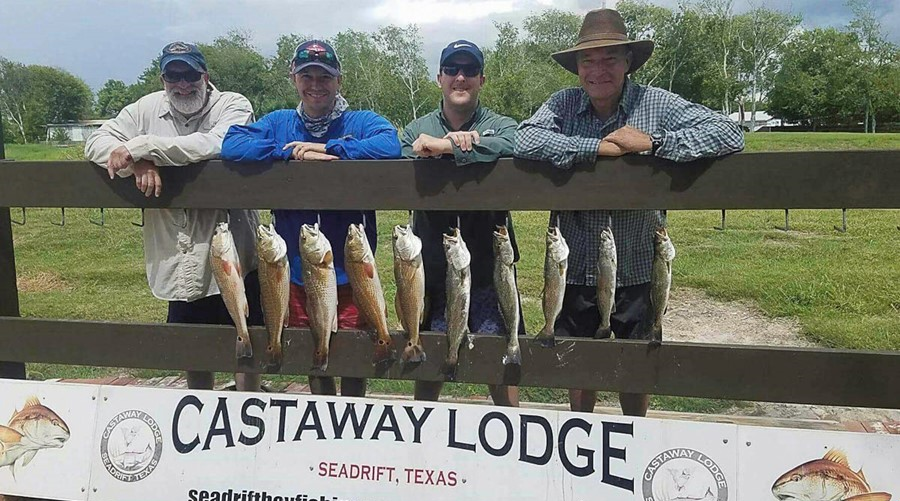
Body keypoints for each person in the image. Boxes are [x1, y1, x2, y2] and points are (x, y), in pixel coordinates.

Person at [515, 9, 744, 416]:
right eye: (588, 60)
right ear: (577, 67)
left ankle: (635, 442)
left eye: (609, 59)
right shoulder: (563, 105)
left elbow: (727, 131)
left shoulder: (656, 103)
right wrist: (594, 148)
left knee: (635, 370)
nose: (598, 70)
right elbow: (525, 139)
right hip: (574, 266)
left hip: (638, 265)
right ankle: (581, 444)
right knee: (578, 369)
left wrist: (653, 143)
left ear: (627, 63)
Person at [221, 39, 401, 397]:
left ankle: (352, 414)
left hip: (349, 270)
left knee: (353, 350)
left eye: (324, 76)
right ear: (294, 79)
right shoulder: (279, 123)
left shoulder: (361, 121)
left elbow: (389, 145)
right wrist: (285, 154)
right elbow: (233, 144)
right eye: (307, 76)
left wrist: (330, 148)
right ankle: (322, 412)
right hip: (296, 271)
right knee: (311, 350)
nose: (316, 84)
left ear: (339, 80)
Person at [85, 42, 263, 392]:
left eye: (191, 74)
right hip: (177, 253)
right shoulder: (144, 108)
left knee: (246, 345)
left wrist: (141, 147)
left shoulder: (233, 103)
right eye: (173, 75)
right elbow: (96, 142)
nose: (183, 84)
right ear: (162, 78)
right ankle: (197, 417)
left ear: (205, 75)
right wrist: (136, 162)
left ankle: (248, 412)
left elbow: (214, 144)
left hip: (233, 251)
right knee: (192, 351)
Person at [401, 40, 524, 407]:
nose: (460, 77)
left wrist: (452, 148)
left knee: (499, 359)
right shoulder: (416, 128)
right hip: (433, 267)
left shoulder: (498, 124)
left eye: (469, 70)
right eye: (452, 69)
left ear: (481, 80)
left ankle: (514, 433)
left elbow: (515, 142)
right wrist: (441, 145)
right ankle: (419, 438)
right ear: (439, 78)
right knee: (428, 360)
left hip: (490, 264)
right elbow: (404, 151)